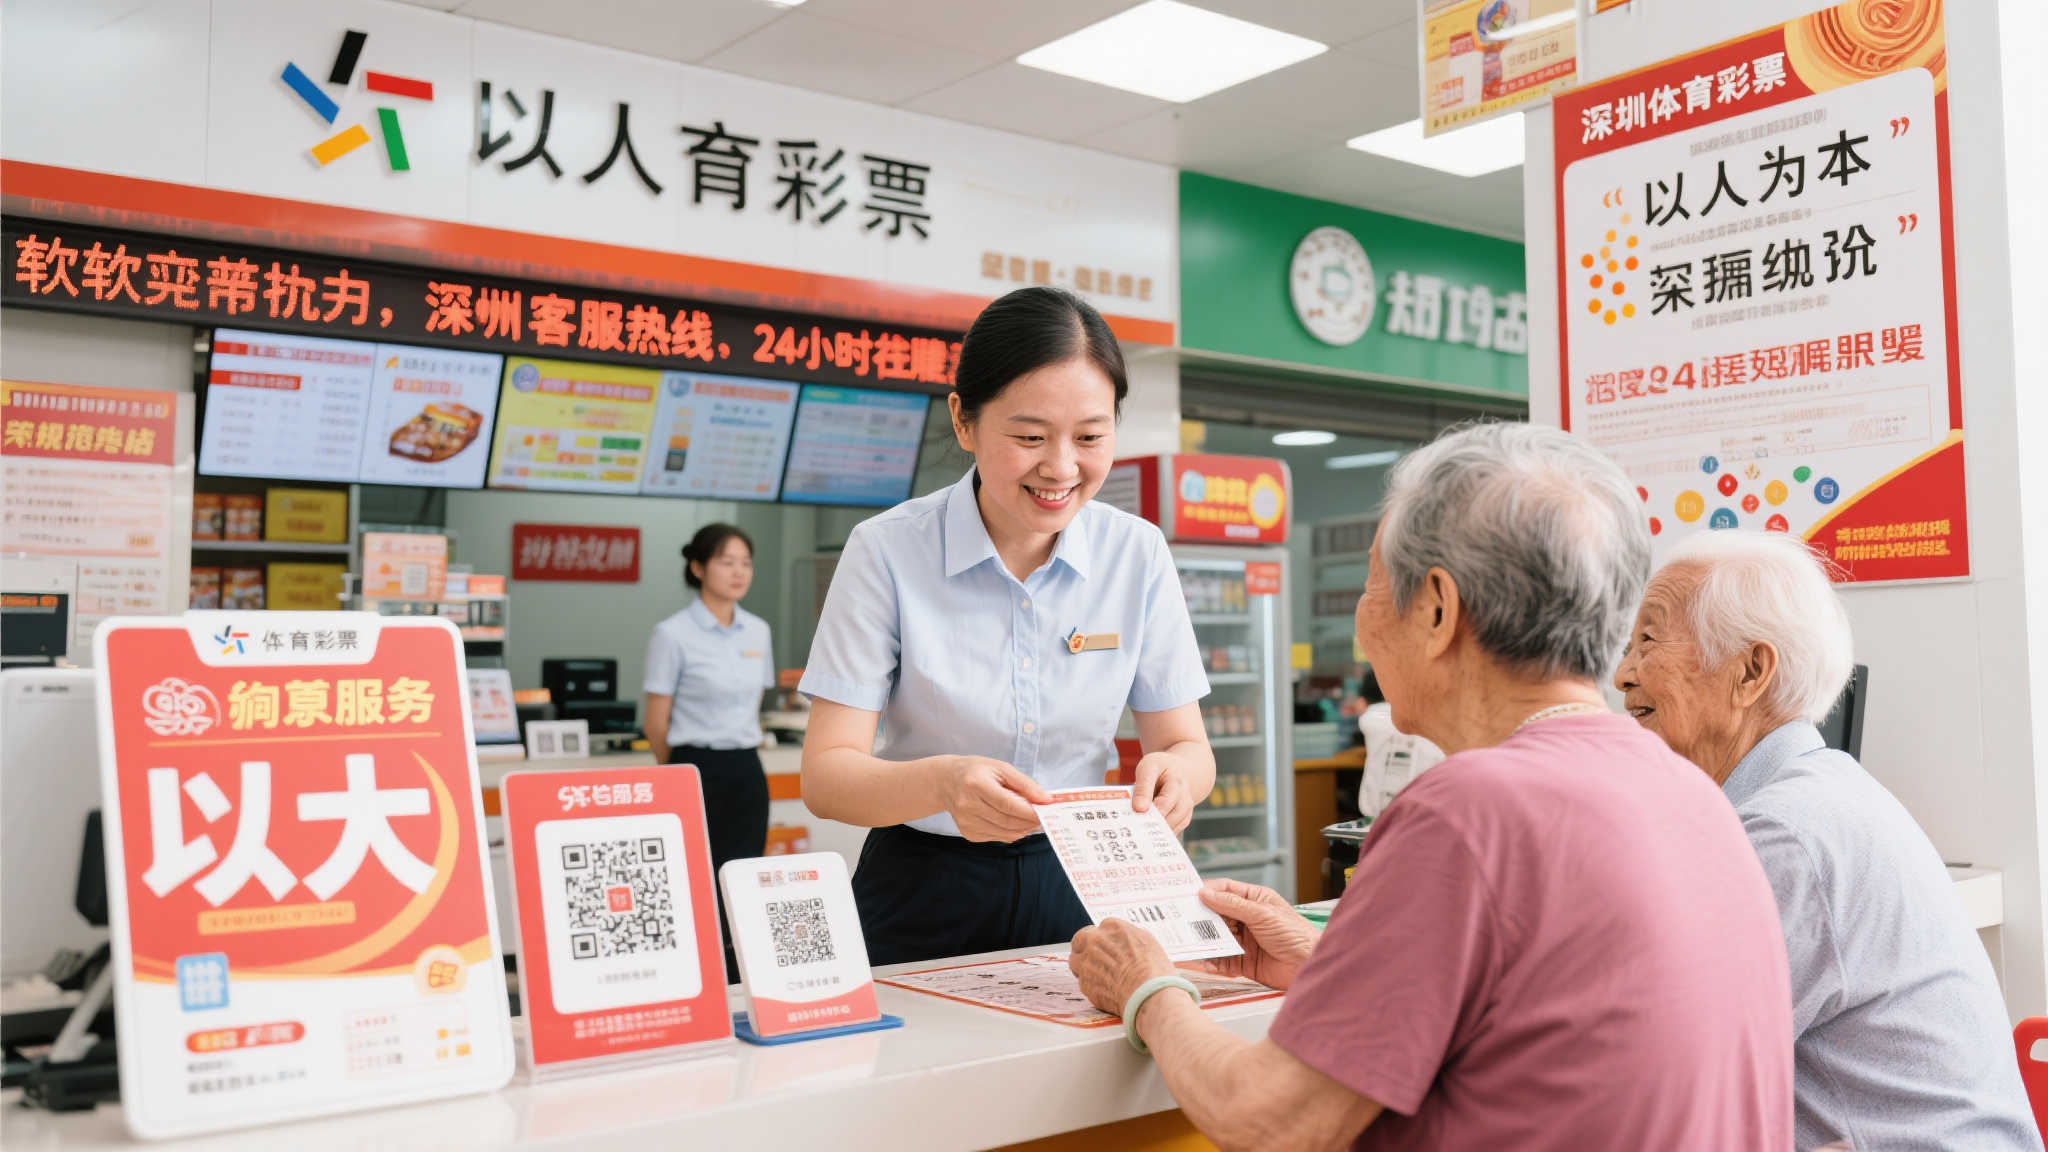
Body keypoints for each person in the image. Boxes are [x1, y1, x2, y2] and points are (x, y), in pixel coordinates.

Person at [1067, 422, 1793, 1151]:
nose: (1362, 620)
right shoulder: (1692, 790)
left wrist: (1148, 988)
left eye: (1374, 584)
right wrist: (1323, 966)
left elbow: (1271, 1118)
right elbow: (1542, 1027)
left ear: (1439, 610)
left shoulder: (1466, 812)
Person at [799, 286, 1215, 966]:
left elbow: (1188, 749)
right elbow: (826, 776)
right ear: (963, 421)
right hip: (921, 883)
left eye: (1090, 436)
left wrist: (1176, 775)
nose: (1060, 467)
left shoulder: (1135, 554)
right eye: (1028, 437)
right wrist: (941, 784)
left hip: (1086, 878)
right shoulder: (888, 550)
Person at [1614, 530, 2041, 1152]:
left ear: (1751, 671)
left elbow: (1657, 1085)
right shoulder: (1816, 793)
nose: (1624, 675)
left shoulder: (1785, 836)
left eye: (1647, 642)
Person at [643, 523, 774, 970]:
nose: (739, 572)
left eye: (746, 562)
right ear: (698, 567)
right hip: (693, 769)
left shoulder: (758, 631)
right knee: (694, 881)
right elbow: (655, 721)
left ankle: (740, 976)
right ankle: (694, 973)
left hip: (746, 770)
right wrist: (678, 772)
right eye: (726, 561)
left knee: (742, 878)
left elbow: (756, 706)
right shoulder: (672, 633)